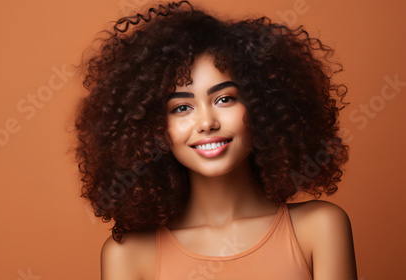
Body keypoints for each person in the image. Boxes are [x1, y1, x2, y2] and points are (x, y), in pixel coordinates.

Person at [70, 1, 357, 279]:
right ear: (152, 127)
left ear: (263, 105)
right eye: (182, 107)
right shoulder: (128, 255)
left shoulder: (320, 228)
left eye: (224, 99)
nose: (207, 123)